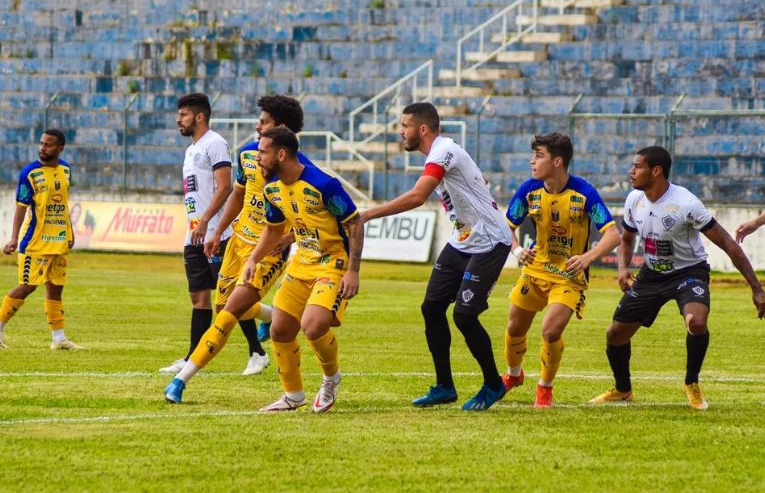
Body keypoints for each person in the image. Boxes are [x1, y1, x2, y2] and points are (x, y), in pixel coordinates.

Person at [165, 126, 363, 413]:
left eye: (263, 152)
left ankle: (331, 379)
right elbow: (272, 229)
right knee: (281, 331)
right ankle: (293, 396)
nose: (257, 158)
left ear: (281, 154)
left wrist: (353, 271)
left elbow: (354, 223)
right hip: (301, 264)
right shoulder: (272, 189)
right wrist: (252, 260)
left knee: (312, 325)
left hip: (332, 266)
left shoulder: (324, 185)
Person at [361, 102, 512, 411]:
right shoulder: (442, 154)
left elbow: (418, 197)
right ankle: (444, 386)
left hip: (490, 243)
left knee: (465, 316)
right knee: (431, 308)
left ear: (423, 129)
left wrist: (366, 215)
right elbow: (476, 183)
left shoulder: (444, 150)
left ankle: (494, 384)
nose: (400, 132)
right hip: (463, 240)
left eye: (404, 126)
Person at [590, 146, 765, 410]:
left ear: (656, 171)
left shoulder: (686, 203)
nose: (631, 171)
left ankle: (691, 383)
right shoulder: (634, 200)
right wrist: (623, 269)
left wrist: (757, 289)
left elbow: (728, 244)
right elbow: (626, 239)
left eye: (637, 166)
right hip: (651, 275)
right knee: (615, 335)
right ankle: (623, 390)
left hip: (688, 272)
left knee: (696, 322)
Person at [503, 132, 620, 408]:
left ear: (557, 161)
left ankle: (545, 388)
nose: (532, 162)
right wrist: (518, 250)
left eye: (538, 156)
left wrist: (587, 257)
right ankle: (513, 375)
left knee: (550, 331)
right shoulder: (528, 190)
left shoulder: (584, 193)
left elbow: (613, 235)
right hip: (534, 272)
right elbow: (505, 228)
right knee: (514, 326)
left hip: (568, 277)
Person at [202, 95, 307, 376]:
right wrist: (218, 231)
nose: (257, 127)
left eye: (263, 122)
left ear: (280, 128)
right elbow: (238, 194)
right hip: (240, 238)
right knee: (222, 306)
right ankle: (272, 317)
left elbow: (304, 212)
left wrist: (291, 237)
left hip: (268, 247)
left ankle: (254, 354)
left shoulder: (300, 168)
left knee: (232, 310)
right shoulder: (249, 154)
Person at [159, 93, 235, 374]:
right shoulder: (192, 149)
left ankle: (257, 351)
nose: (178, 120)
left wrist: (205, 222)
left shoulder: (215, 143)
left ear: (199, 116)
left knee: (228, 298)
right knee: (199, 298)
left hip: (216, 232)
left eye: (183, 115)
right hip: (194, 234)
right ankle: (193, 357)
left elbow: (225, 187)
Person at [0, 129, 82, 350]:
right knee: (27, 286)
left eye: (48, 144)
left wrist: (70, 232)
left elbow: (63, 205)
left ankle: (58, 339)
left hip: (59, 240)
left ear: (60, 148)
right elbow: (21, 207)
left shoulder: (65, 170)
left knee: (56, 287)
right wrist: (14, 237)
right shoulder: (29, 173)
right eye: (41, 143)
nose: (42, 148)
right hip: (35, 241)